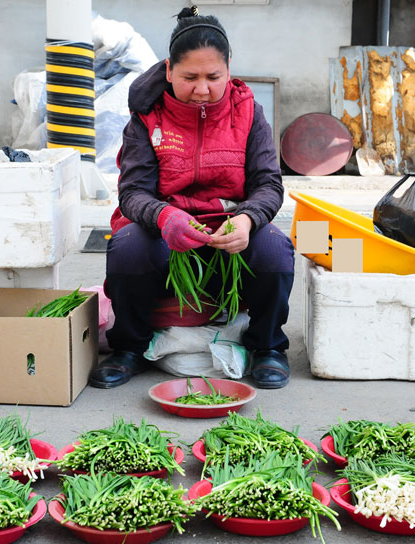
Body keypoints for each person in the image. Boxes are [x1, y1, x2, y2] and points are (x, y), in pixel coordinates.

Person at [89, 5, 295, 390]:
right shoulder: (147, 117)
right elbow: (132, 192)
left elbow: (269, 184)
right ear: (168, 70)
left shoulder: (249, 113)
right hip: (168, 234)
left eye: (213, 77)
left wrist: (247, 220)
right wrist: (165, 218)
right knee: (128, 245)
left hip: (227, 235)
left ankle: (268, 347)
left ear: (229, 68)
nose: (202, 89)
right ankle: (129, 348)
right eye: (189, 77)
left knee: (275, 249)